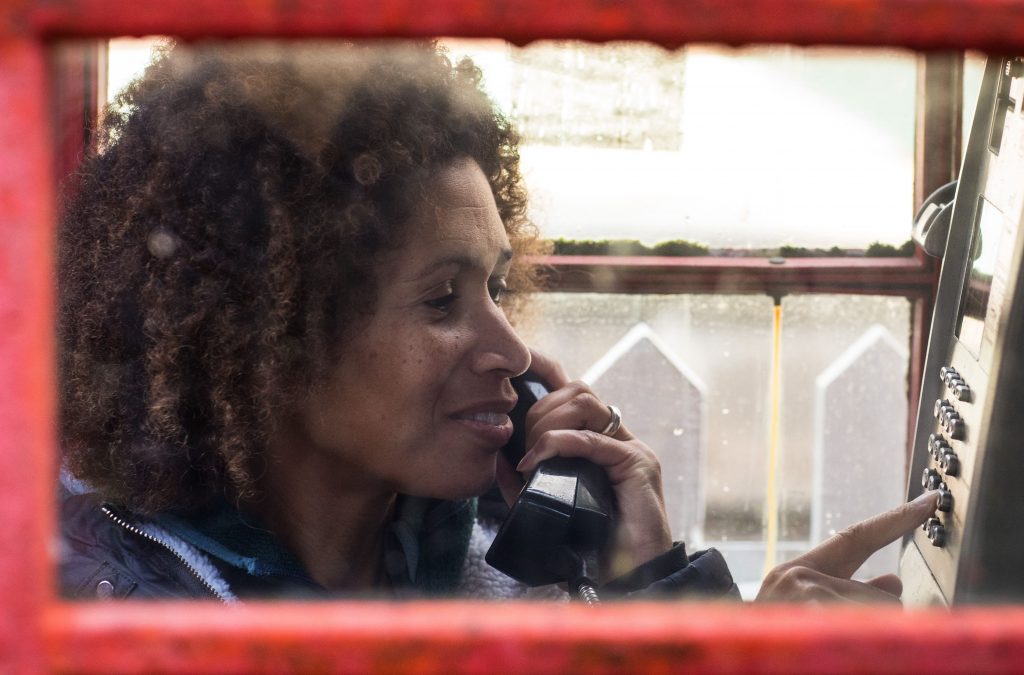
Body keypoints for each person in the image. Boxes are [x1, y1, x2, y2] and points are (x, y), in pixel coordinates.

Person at [57, 40, 936, 603]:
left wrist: (647, 591)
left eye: (497, 288)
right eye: (442, 300)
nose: (513, 350)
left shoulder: (492, 567)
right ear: (266, 341)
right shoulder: (118, 616)